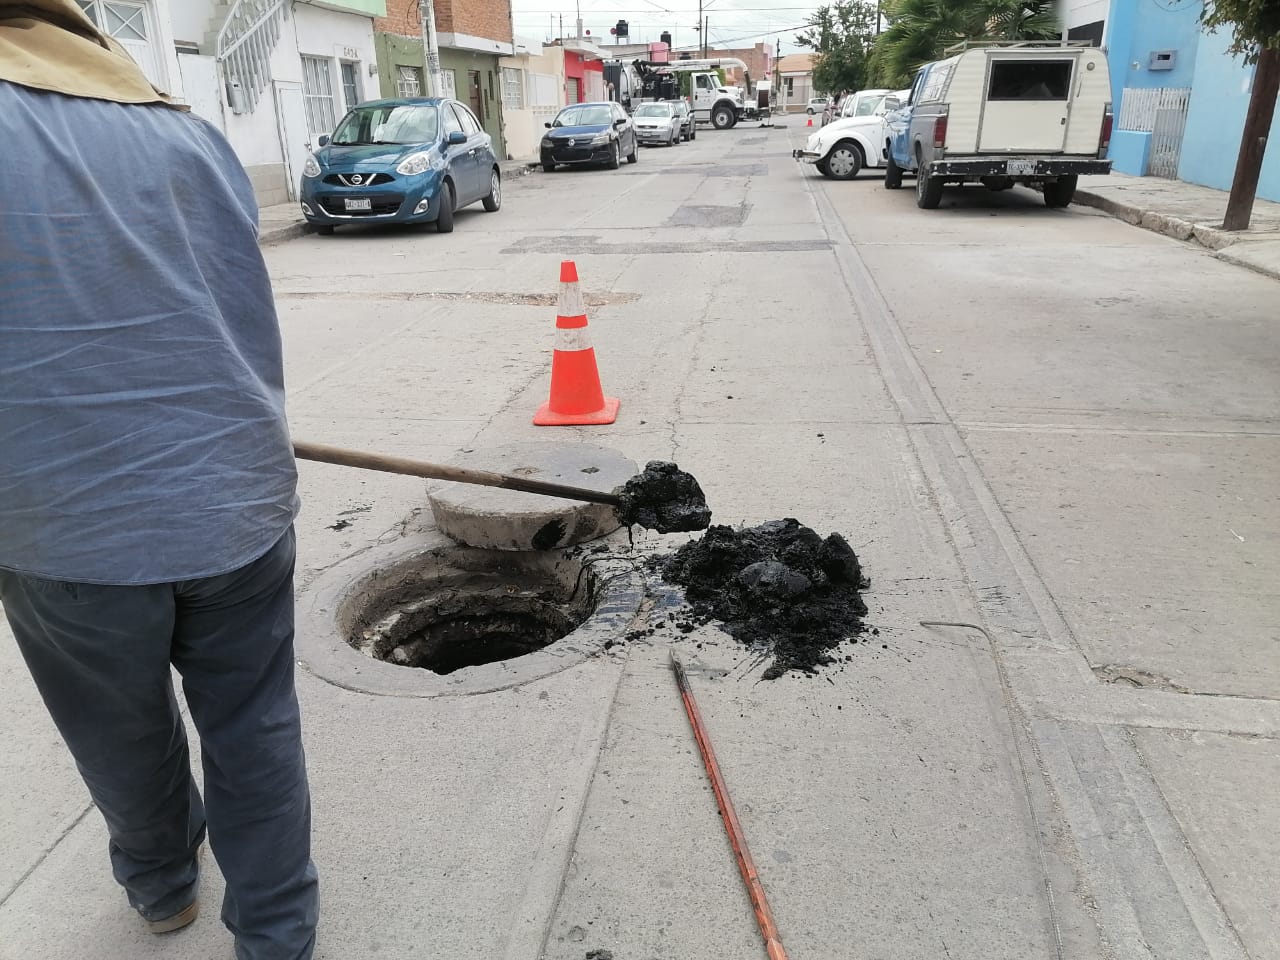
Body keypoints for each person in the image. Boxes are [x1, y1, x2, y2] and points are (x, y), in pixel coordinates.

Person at [0, 3, 318, 958]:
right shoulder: (184, 126)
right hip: (238, 495)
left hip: (67, 530)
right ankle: (277, 935)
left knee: (120, 730)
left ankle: (163, 886)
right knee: (256, 728)